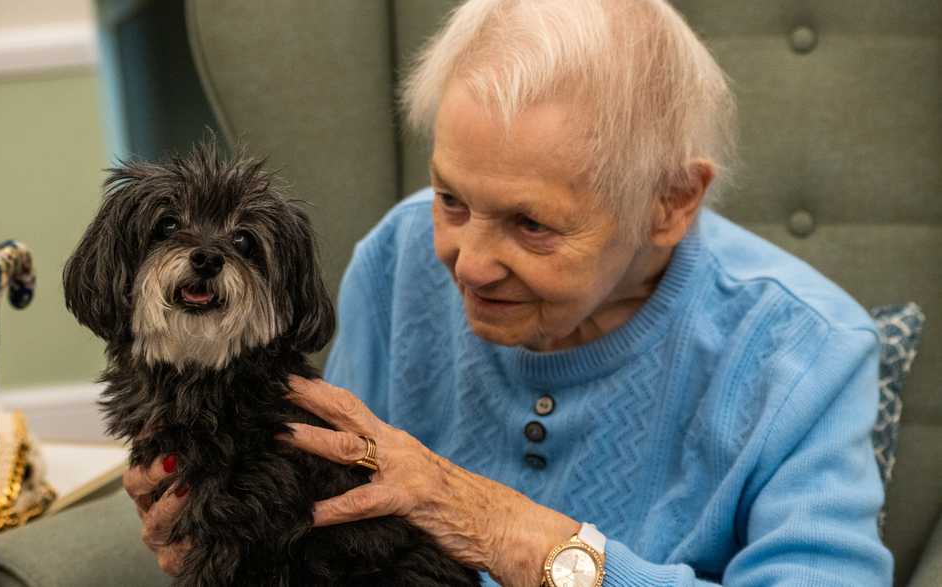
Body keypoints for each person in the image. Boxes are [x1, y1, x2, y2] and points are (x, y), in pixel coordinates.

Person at [123, 0, 893, 585]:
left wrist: (522, 538)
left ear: (671, 203)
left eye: (532, 224)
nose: (467, 264)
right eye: (452, 199)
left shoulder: (804, 354)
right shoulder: (394, 259)